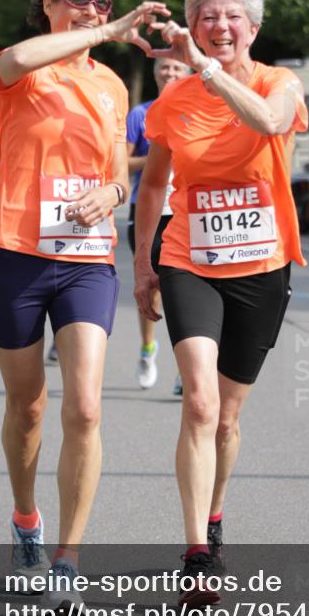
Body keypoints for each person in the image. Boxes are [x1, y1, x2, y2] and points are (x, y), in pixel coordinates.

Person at [0, 0, 169, 616]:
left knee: (84, 408)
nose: (92, 8)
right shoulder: (22, 68)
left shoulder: (112, 86)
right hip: (13, 254)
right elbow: (20, 56)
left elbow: (118, 172)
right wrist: (104, 28)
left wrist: (112, 192)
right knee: (28, 407)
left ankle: (67, 560)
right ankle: (25, 520)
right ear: (51, 3)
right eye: (80, 0)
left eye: (103, 1)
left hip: (84, 259)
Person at [134, 0, 308, 608]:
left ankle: (215, 516)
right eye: (207, 17)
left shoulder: (278, 82)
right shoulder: (170, 105)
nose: (220, 26)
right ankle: (196, 554)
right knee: (201, 404)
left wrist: (206, 69)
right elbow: (153, 185)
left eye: (232, 16)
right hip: (190, 259)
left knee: (229, 418)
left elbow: (267, 123)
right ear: (194, 26)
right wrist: (144, 263)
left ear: (253, 28)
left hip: (262, 267)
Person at [127, 57, 191, 392]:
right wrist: (157, 157)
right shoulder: (140, 114)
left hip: (185, 212)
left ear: (189, 72)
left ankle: (187, 369)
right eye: (164, 68)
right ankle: (148, 348)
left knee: (185, 294)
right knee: (150, 289)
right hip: (148, 211)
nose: (170, 73)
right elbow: (120, 161)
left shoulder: (198, 109)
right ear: (155, 74)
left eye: (177, 68)